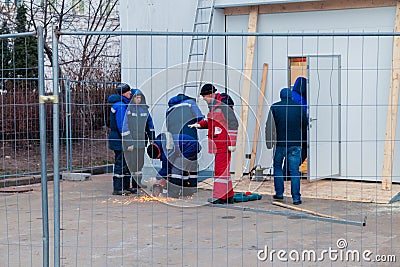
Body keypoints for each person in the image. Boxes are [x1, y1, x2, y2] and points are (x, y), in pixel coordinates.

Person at [189, 84, 238, 204]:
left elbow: (233, 123)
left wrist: (232, 142)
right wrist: (199, 124)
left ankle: (219, 197)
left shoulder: (222, 106)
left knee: (220, 171)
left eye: (205, 97)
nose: (204, 99)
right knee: (223, 171)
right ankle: (228, 195)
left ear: (211, 94)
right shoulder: (214, 107)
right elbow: (211, 122)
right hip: (218, 144)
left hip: (224, 144)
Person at [265, 88, 308, 205]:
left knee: (278, 167)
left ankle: (279, 194)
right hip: (295, 144)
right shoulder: (299, 107)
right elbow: (305, 124)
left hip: (280, 144)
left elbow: (269, 126)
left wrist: (269, 142)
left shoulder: (275, 107)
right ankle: (296, 198)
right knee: (294, 171)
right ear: (291, 96)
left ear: (281, 96)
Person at [147, 132, 201, 197]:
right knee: (185, 171)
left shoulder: (166, 151)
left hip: (189, 147)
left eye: (158, 157)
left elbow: (167, 167)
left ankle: (173, 194)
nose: (159, 159)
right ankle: (187, 192)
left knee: (176, 170)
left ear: (159, 153)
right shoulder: (160, 143)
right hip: (191, 145)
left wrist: (157, 178)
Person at [166, 93, 204, 184]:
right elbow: (200, 118)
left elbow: (168, 126)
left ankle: (179, 186)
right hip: (190, 138)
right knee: (192, 163)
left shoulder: (169, 109)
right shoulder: (191, 103)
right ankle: (191, 187)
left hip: (176, 140)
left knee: (179, 163)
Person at [122, 89, 155, 190]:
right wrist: (129, 142)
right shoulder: (128, 110)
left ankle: (137, 184)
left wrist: (152, 139)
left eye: (140, 97)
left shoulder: (144, 110)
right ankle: (127, 186)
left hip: (141, 141)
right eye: (136, 97)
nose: (138, 99)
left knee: (140, 164)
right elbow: (125, 127)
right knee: (130, 164)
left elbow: (150, 125)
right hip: (131, 142)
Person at [107, 83, 135, 195]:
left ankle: (125, 186)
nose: (130, 93)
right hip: (120, 140)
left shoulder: (121, 104)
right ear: (124, 93)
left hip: (119, 139)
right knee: (121, 163)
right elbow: (123, 126)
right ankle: (118, 188)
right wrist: (128, 141)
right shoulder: (121, 106)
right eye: (128, 92)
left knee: (126, 163)